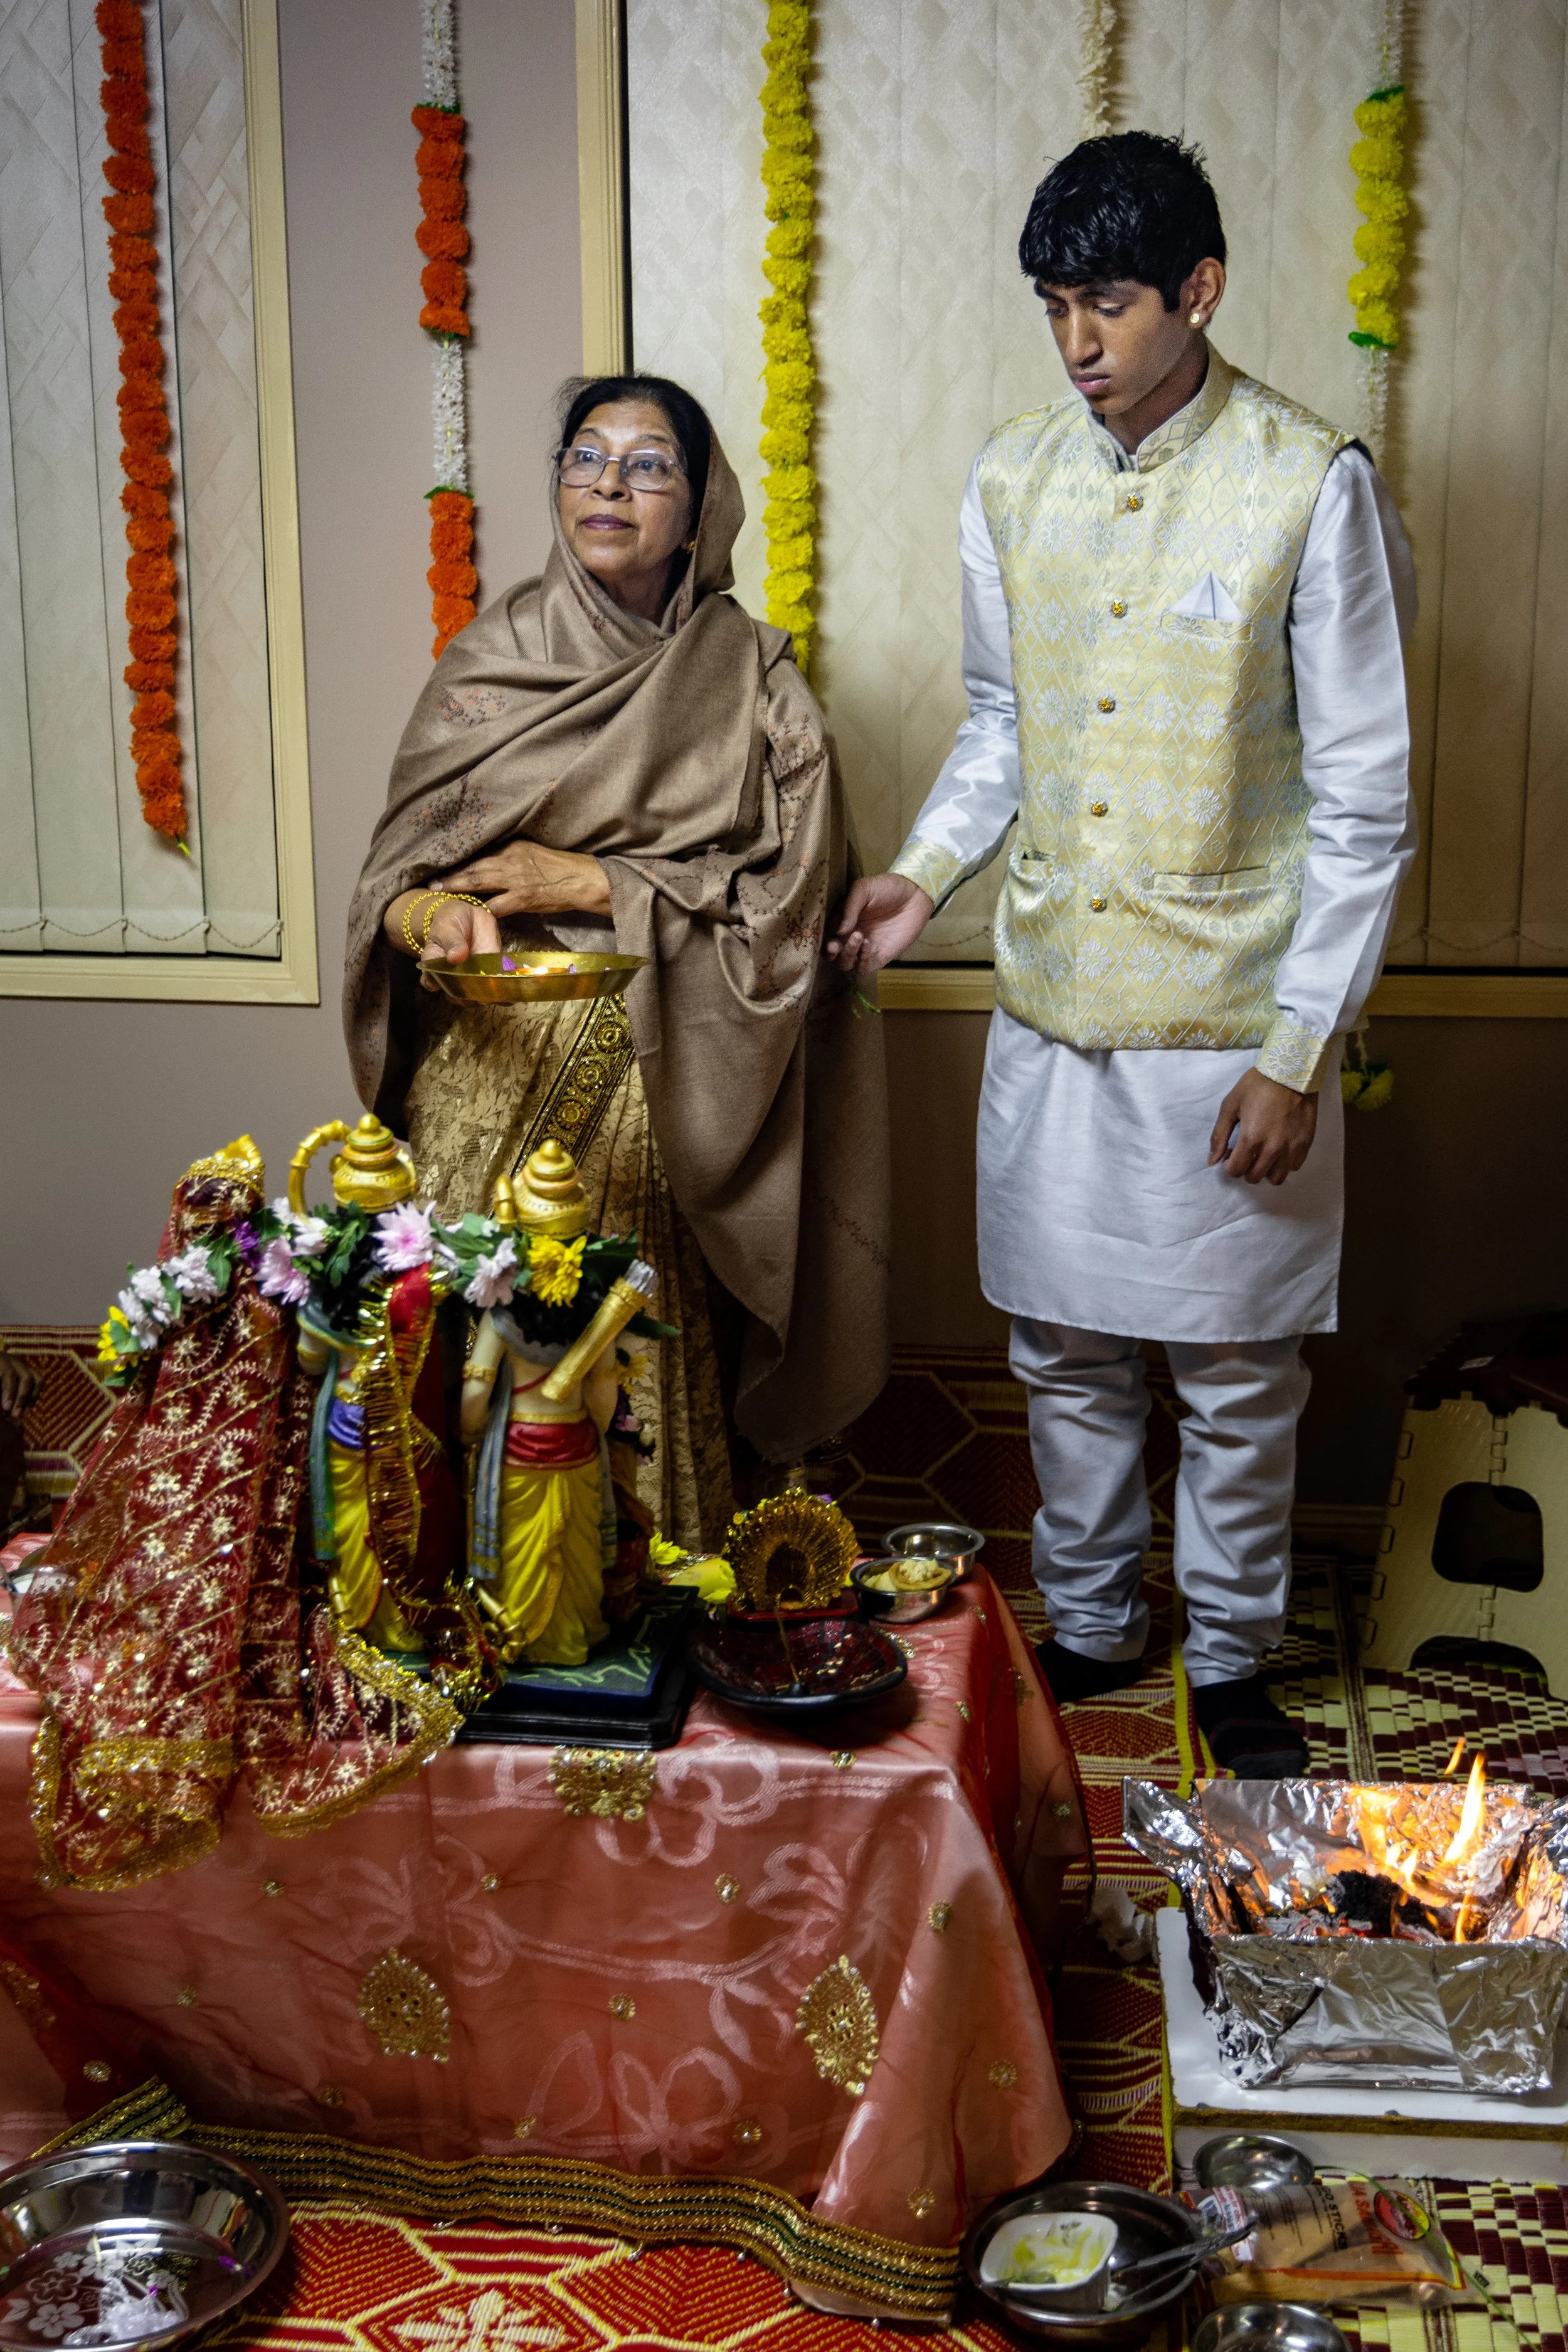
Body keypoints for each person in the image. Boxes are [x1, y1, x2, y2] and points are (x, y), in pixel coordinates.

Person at [832, 134, 1416, 1776]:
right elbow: (1005, 730)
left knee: (1235, 1377)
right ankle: (1092, 1619)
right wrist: (919, 878)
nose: (1076, 343)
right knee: (1064, 1354)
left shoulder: (1311, 481)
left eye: (1105, 304)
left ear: (1197, 292)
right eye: (1053, 308)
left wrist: (1299, 1049)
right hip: (1051, 1009)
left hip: (1234, 1024)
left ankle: (1230, 1654)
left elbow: (1367, 806)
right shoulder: (1012, 475)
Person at [345, 375, 889, 1552]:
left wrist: (595, 885)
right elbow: (393, 884)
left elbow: (798, 910)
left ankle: (631, 1594)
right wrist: (434, 915)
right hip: (478, 1076)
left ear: (699, 513)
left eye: (649, 465)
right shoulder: (487, 666)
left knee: (604, 1361)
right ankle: (439, 1589)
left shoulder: (755, 686)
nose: (609, 483)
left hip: (658, 1078)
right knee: (464, 1350)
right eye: (587, 457)